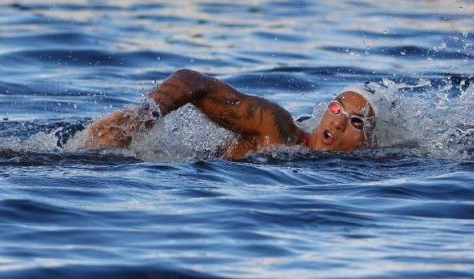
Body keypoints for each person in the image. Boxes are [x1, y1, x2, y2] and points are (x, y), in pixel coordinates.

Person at [79, 69, 383, 159]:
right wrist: (145, 116)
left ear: (368, 143)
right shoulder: (276, 129)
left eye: (357, 121)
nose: (339, 122)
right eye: (336, 108)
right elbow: (195, 81)